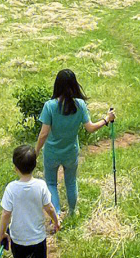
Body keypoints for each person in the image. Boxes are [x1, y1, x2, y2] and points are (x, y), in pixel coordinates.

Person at [35, 68, 116, 217]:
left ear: (57, 85)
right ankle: (72, 212)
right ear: (74, 85)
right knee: (71, 182)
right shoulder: (79, 105)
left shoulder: (50, 106)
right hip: (71, 152)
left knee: (51, 184)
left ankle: (57, 214)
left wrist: (36, 151)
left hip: (51, 153)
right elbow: (90, 128)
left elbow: (44, 133)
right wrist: (106, 119)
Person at [0, 145, 60, 258]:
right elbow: (49, 207)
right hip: (38, 238)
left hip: (18, 238)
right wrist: (56, 220)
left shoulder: (11, 188)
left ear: (15, 168)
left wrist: (2, 233)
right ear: (35, 165)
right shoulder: (40, 185)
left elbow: (5, 214)